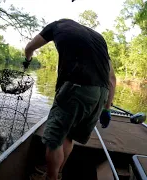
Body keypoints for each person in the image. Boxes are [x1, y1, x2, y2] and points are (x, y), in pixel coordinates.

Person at [23, 18, 117, 180]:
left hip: (75, 90)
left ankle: (50, 178)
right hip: (101, 94)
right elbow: (112, 79)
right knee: (68, 135)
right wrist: (107, 108)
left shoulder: (56, 25)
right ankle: (57, 172)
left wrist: (28, 59)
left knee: (53, 139)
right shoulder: (98, 38)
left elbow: (29, 47)